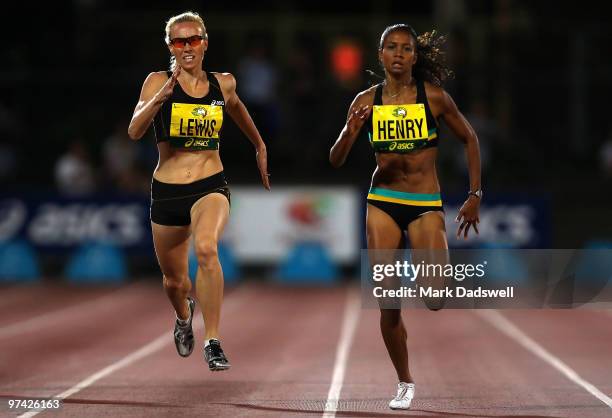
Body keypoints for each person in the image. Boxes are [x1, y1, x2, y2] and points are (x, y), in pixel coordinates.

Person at [329, 24, 481, 409]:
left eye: (406, 49)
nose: (398, 54)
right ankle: (405, 382)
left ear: (415, 56)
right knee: (387, 301)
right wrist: (350, 131)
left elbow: (470, 139)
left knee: (434, 297)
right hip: (382, 199)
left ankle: (421, 268)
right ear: (380, 55)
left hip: (424, 201)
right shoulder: (366, 100)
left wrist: (474, 193)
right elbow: (336, 158)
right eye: (391, 47)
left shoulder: (434, 98)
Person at [128, 11, 270, 371]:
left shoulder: (223, 83)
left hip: (210, 184)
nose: (187, 47)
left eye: (193, 40)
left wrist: (259, 146)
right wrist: (161, 96)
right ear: (170, 47)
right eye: (179, 41)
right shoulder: (156, 81)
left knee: (207, 248)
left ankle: (213, 341)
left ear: (205, 42)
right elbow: (134, 130)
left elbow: (237, 109)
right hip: (168, 192)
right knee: (175, 282)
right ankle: (182, 315)